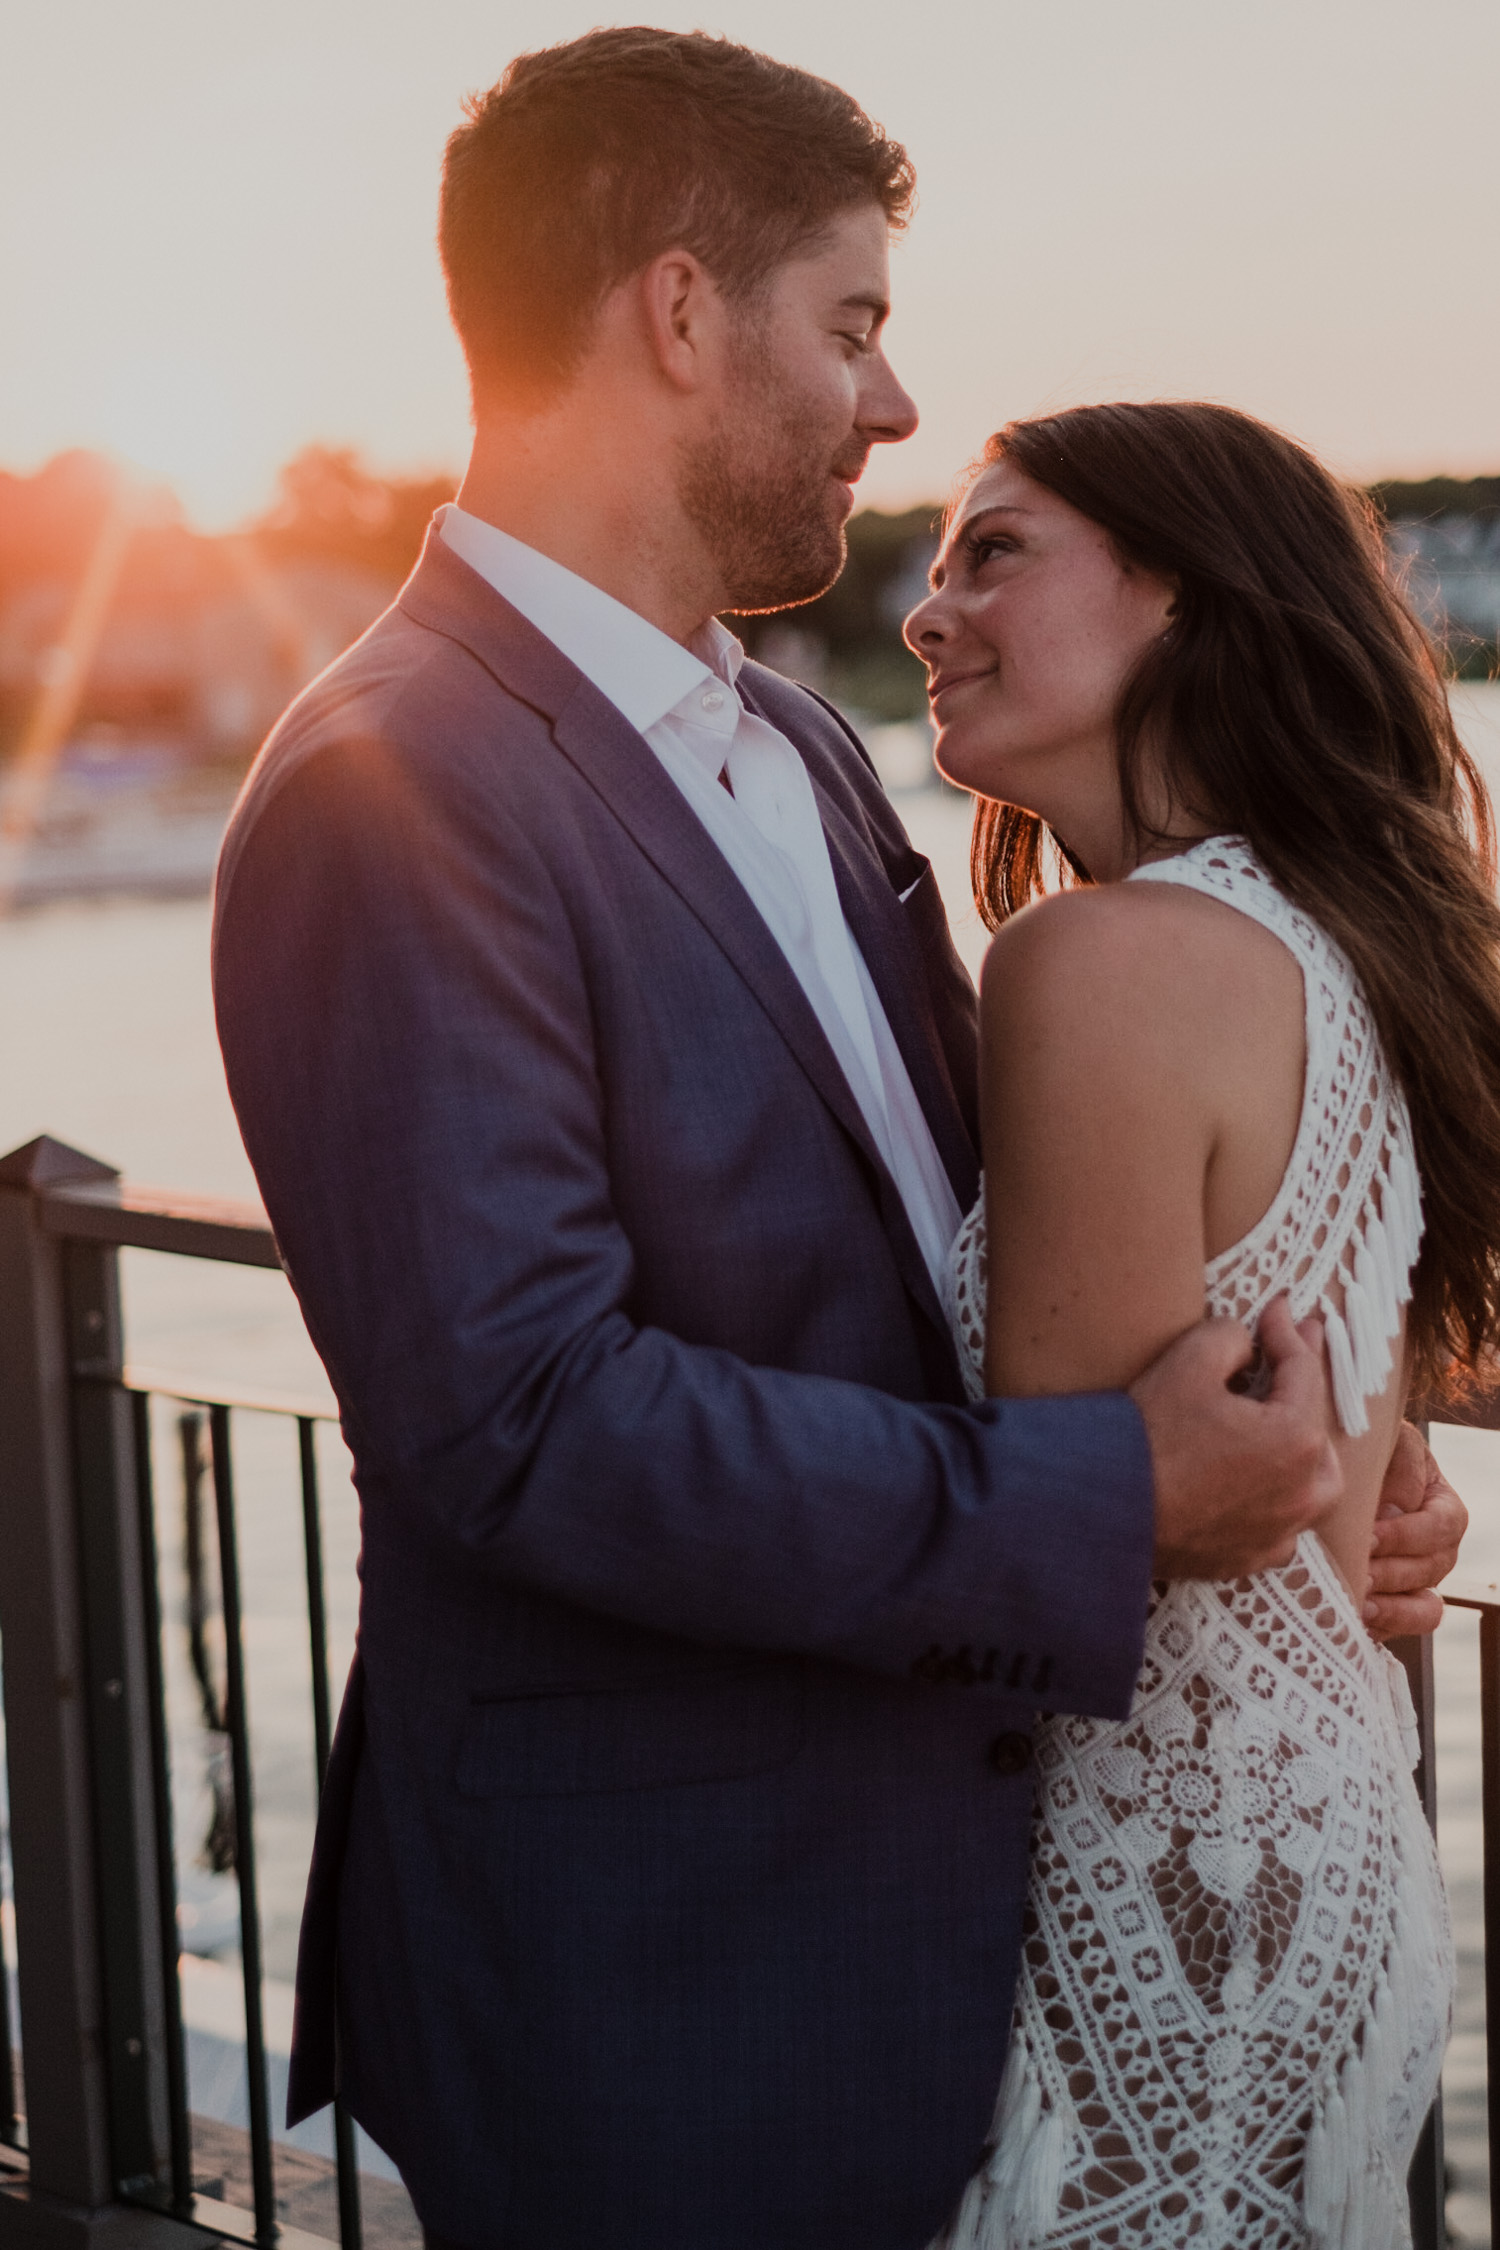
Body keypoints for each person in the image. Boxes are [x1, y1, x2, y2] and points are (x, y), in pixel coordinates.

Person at [210, 32, 1463, 2250]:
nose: (892, 405)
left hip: (973, 1916)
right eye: (854, 323)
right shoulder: (388, 785)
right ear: (681, 319)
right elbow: (515, 1414)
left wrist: (1336, 1465)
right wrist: (1113, 1501)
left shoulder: (789, 741)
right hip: (683, 1956)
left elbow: (958, 1238)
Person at [905, 400, 1496, 2248]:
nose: (926, 613)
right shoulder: (1348, 934)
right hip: (1323, 1863)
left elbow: (1077, 1519)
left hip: (1149, 1891)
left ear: (1186, 593)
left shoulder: (1099, 958)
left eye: (992, 551)